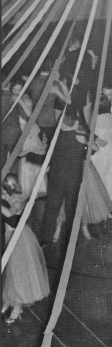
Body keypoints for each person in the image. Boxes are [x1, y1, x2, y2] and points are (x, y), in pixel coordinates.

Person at [41, 105, 99, 250]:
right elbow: (94, 149)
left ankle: (45, 240)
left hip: (55, 179)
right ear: (74, 123)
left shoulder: (55, 139)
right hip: (72, 182)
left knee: (51, 210)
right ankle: (71, 241)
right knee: (72, 210)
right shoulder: (78, 142)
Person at [2, 173, 50, 324]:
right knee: (9, 274)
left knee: (18, 275)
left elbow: (10, 213)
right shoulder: (7, 198)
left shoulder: (18, 201)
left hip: (19, 240)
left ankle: (17, 308)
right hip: (8, 237)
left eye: (6, 187)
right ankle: (8, 302)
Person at [28, 61, 71, 145]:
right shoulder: (54, 84)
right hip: (48, 118)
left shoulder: (32, 80)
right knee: (50, 143)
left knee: (38, 141)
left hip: (35, 115)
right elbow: (68, 101)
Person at [1, 78, 32, 171]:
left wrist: (20, 102)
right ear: (10, 87)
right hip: (8, 134)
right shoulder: (7, 97)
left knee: (13, 161)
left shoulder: (22, 99)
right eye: (15, 89)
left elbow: (30, 115)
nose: (17, 92)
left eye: (19, 89)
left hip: (14, 134)